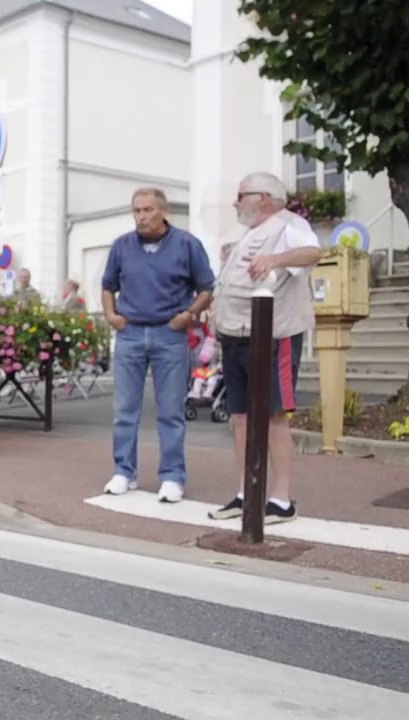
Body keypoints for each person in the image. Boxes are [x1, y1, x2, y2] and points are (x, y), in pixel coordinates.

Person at [207, 172, 323, 524]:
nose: (236, 202)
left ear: (265, 197)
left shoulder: (289, 224)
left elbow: (313, 252)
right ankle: (246, 493)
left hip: (275, 334)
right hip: (237, 335)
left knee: (274, 415)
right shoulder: (249, 234)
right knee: (239, 417)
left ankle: (281, 500)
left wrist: (275, 260)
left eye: (242, 195)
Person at [101, 186, 215, 503]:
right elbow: (108, 285)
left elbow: (206, 287)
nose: (141, 216)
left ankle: (172, 476)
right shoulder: (122, 246)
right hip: (131, 333)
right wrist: (110, 314)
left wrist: (190, 314)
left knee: (171, 411)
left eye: (148, 210)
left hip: (170, 334)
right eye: (137, 210)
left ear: (163, 212)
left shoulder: (187, 245)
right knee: (124, 410)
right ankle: (124, 472)